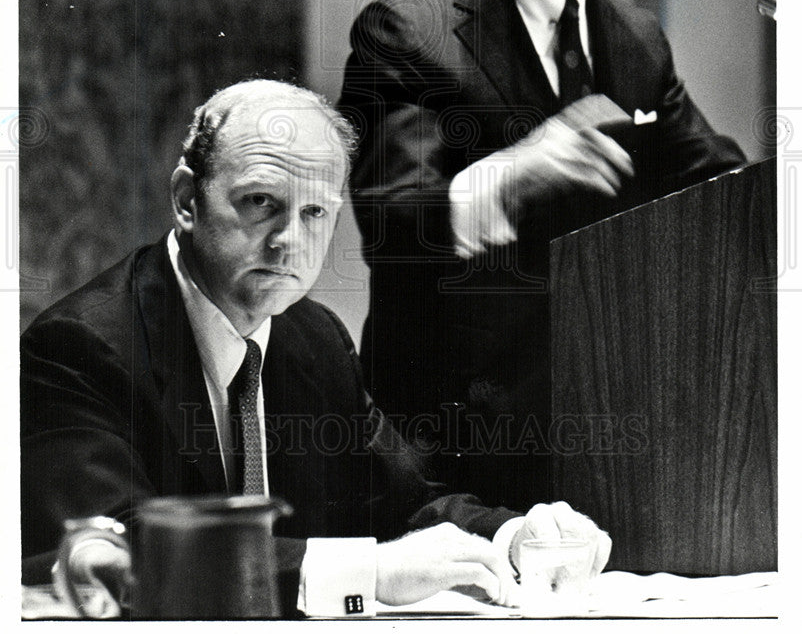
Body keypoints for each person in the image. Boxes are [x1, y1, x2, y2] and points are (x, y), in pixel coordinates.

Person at [21, 78, 611, 618]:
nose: (289, 243)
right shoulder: (78, 347)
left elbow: (404, 502)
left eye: (314, 213)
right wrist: (368, 574)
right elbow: (110, 559)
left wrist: (515, 538)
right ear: (185, 200)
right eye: (260, 204)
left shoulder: (315, 337)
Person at [338, 0, 746, 512]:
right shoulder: (407, 29)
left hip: (607, 446)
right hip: (448, 461)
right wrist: (514, 174)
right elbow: (392, 224)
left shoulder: (638, 42)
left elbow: (725, 190)